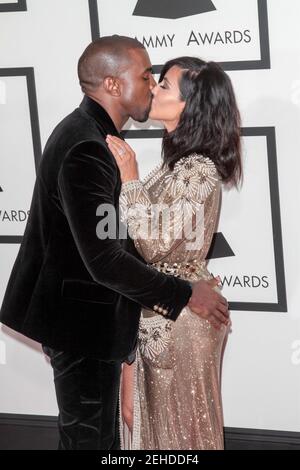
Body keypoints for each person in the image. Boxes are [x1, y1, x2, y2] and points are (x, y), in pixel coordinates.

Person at [0, 39, 229, 450]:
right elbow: (105, 259)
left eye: (159, 81)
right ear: (111, 83)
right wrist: (185, 293)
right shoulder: (89, 146)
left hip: (86, 325)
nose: (150, 86)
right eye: (144, 77)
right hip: (81, 326)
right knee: (91, 440)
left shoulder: (97, 138)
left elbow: (118, 241)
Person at [106, 56, 242, 450]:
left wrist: (129, 180)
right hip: (158, 314)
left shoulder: (197, 170)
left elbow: (155, 243)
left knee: (181, 435)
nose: (152, 88)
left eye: (163, 85)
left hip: (180, 322)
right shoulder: (175, 167)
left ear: (190, 106)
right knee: (146, 426)